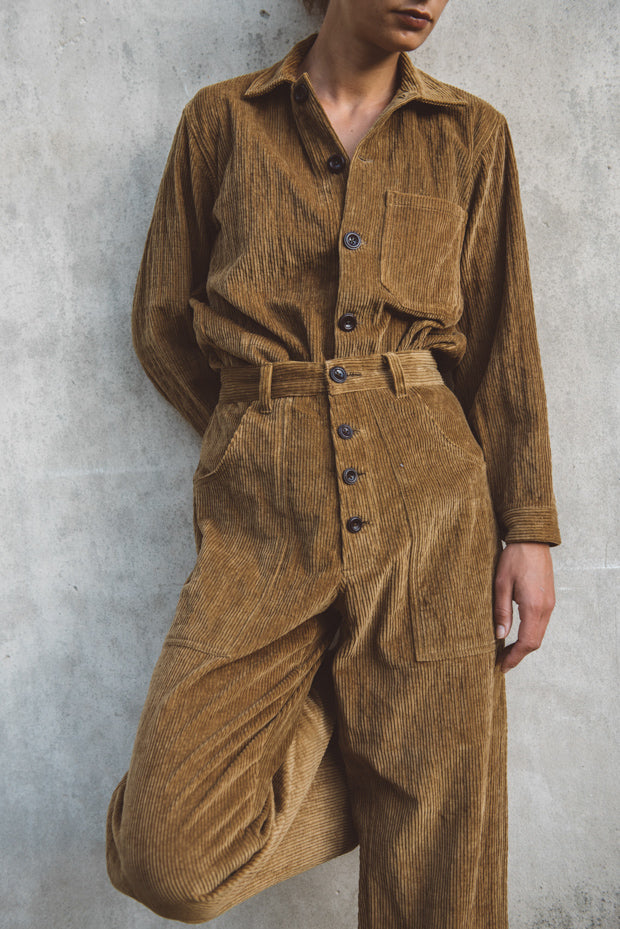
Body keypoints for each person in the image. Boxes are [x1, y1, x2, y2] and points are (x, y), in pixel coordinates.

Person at [106, 1, 561, 926]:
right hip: (261, 517)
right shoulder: (221, 122)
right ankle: (366, 741)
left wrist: (530, 529)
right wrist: (257, 431)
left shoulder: (473, 135)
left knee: (443, 872)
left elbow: (502, 343)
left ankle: (425, 775)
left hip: (429, 499)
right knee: (169, 851)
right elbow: (163, 319)